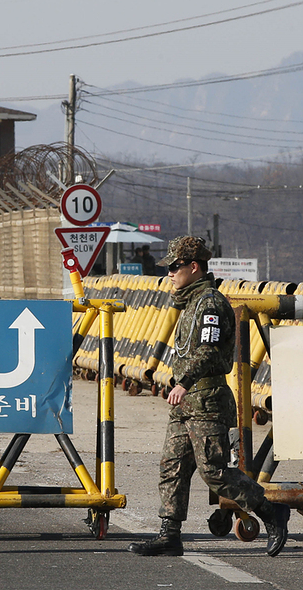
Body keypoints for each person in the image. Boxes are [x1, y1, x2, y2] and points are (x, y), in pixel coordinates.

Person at [128, 236, 290, 557]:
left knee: (214, 471)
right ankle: (170, 535)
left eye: (175, 267)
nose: (170, 274)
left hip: (207, 399)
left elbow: (207, 350)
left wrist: (183, 382)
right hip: (186, 403)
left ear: (194, 266)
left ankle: (272, 513)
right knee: (172, 466)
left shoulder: (210, 304)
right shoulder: (189, 303)